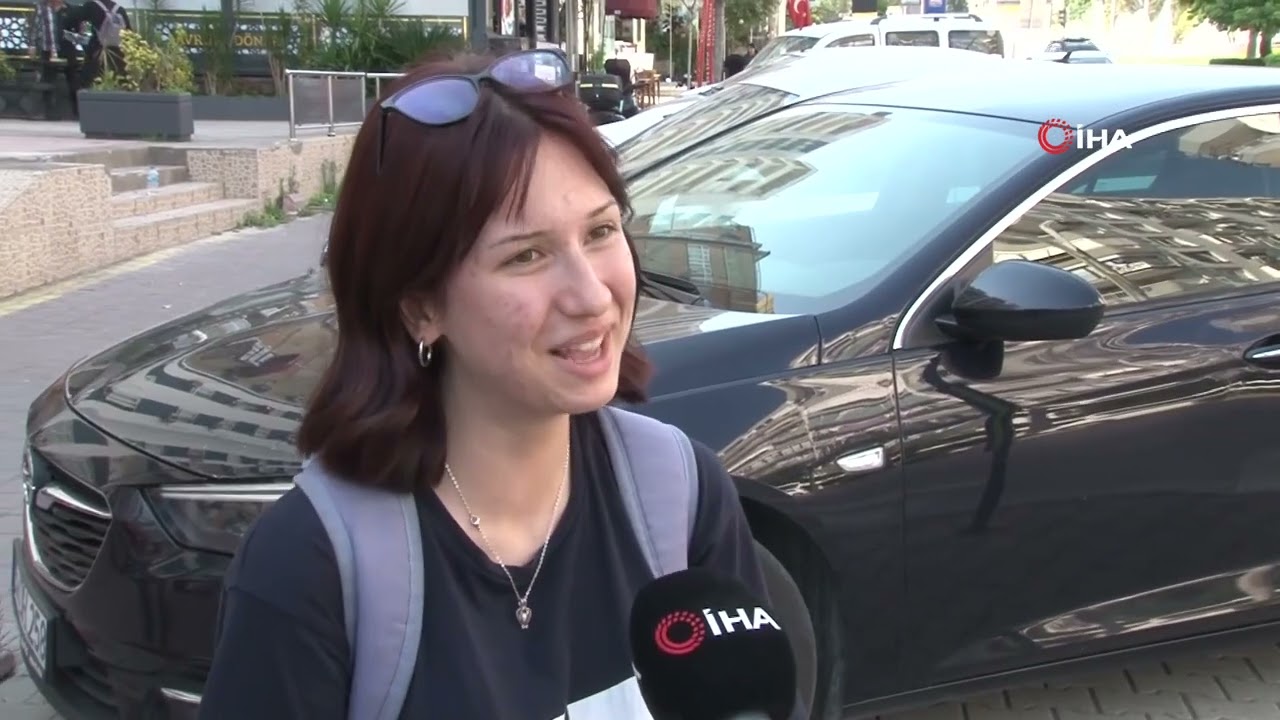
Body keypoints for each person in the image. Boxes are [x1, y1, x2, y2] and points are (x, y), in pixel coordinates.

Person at [197, 50, 793, 719]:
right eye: (526, 255)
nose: (592, 295)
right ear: (420, 307)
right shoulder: (310, 566)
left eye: (601, 231)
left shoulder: (682, 494)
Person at [26, 0, 79, 117]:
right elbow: (34, 27)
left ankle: (77, 112)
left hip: (67, 49)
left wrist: (76, 33)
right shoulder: (41, 7)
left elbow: (77, 31)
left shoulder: (69, 9)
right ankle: (49, 112)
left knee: (73, 79)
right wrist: (32, 45)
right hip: (48, 48)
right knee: (48, 78)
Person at [64, 0, 129, 90]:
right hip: (118, 56)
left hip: (96, 54)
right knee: (118, 84)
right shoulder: (120, 9)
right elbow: (129, 33)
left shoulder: (91, 6)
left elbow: (70, 20)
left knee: (89, 84)